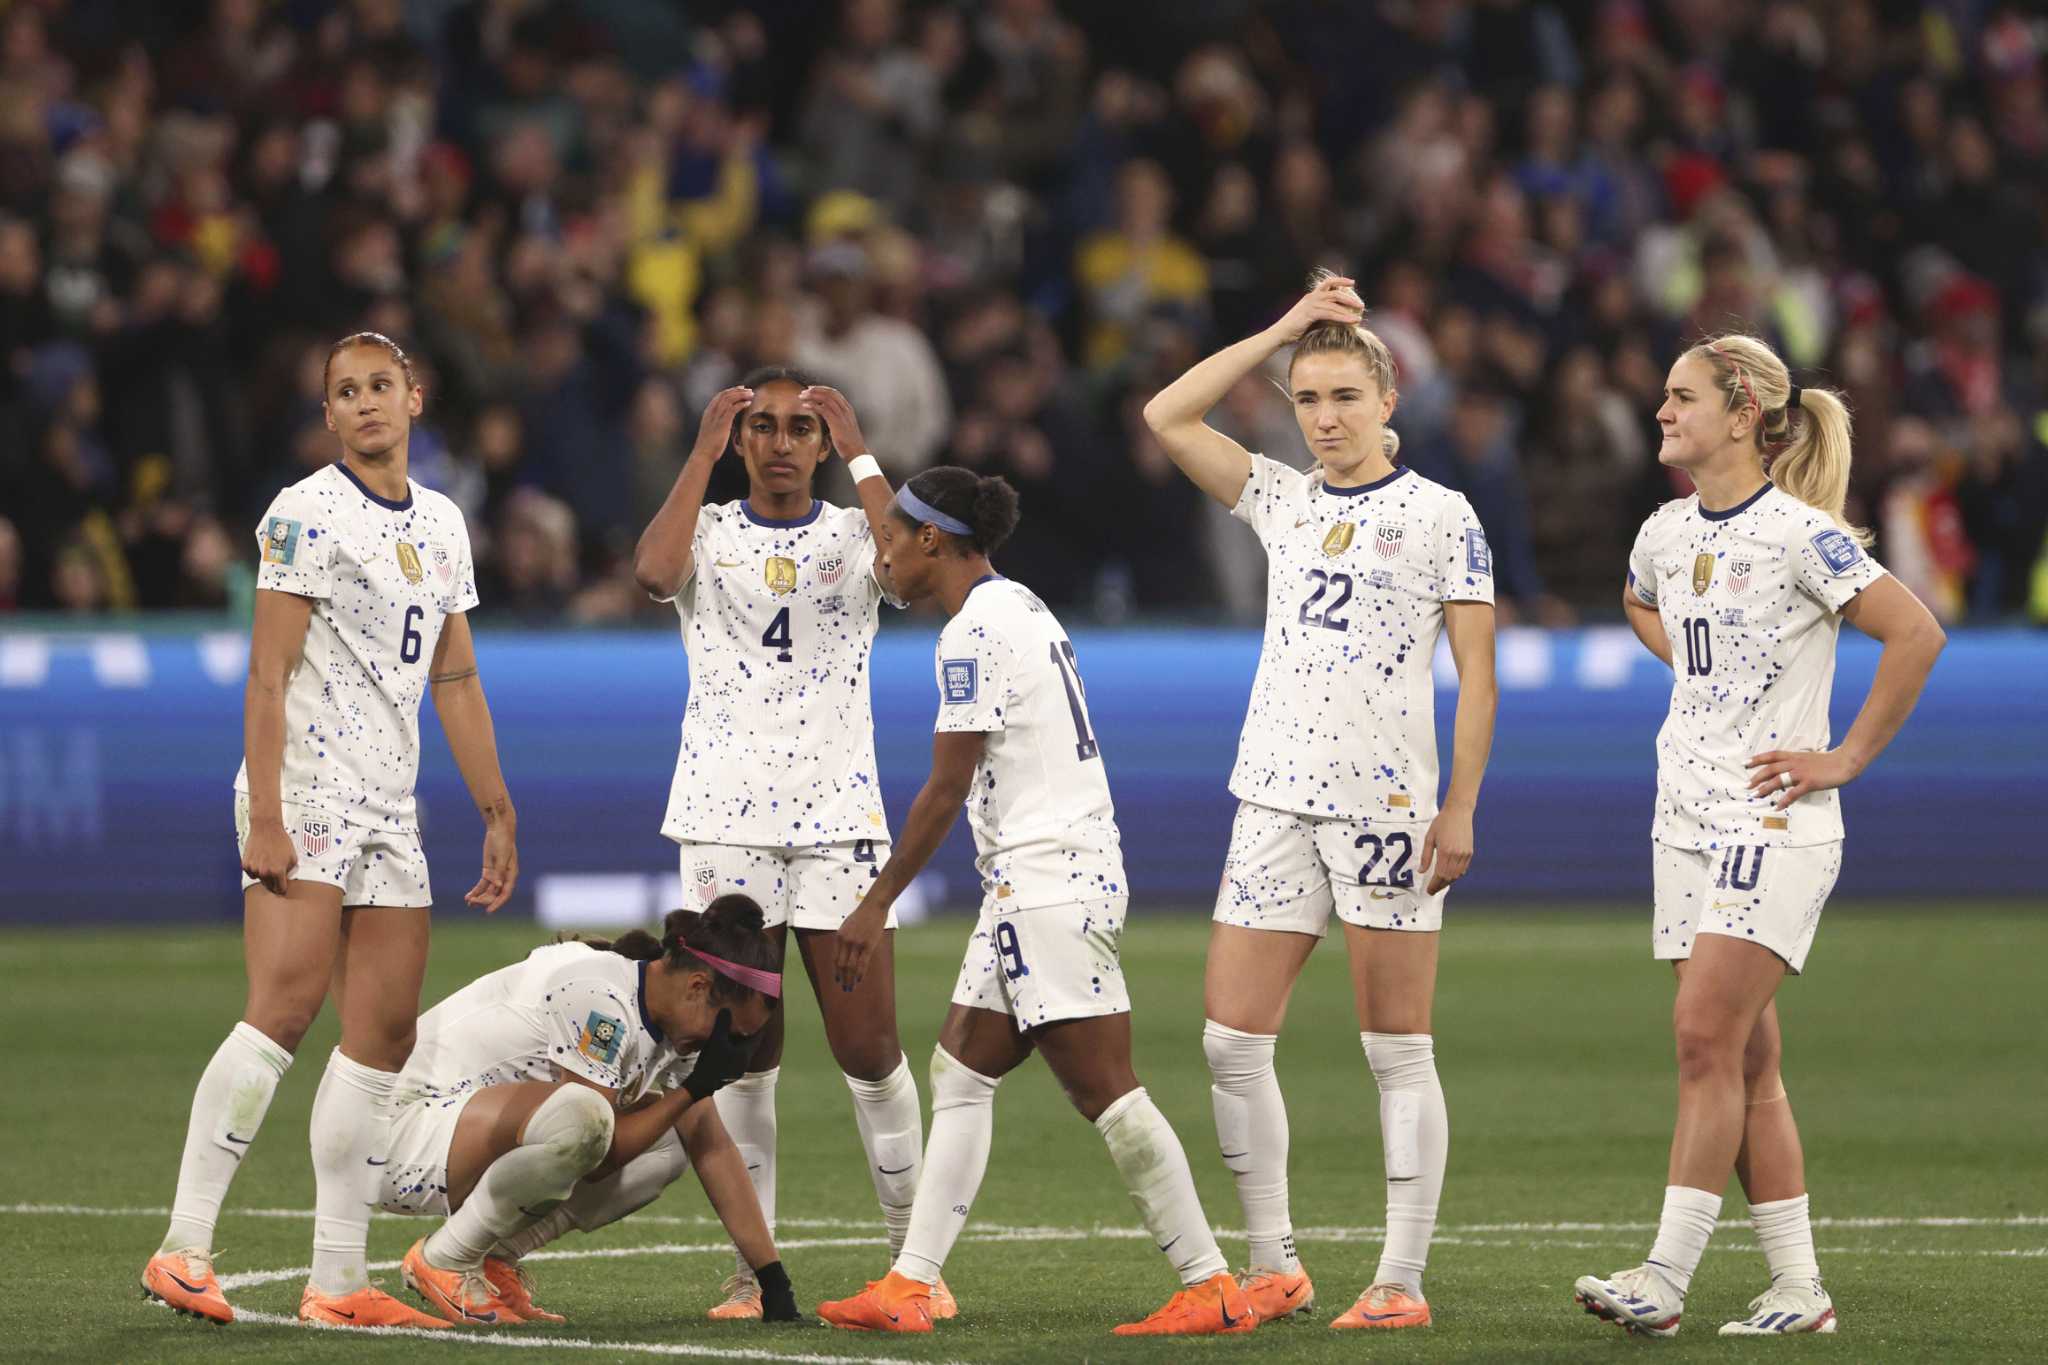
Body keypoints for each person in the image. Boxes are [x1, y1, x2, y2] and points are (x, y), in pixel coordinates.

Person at [815, 467, 1255, 1338]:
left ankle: (1209, 1283)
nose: (884, 553)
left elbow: (945, 789)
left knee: (1108, 1092)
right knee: (963, 1066)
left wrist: (873, 904)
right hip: (1044, 874)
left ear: (932, 540)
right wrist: (864, 456)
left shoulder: (973, 634)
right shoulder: (1021, 605)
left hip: (1047, 877)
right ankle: (913, 1282)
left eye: (893, 538)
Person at [1141, 271, 1499, 1331]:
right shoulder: (1280, 497)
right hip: (1271, 798)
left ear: (1387, 403)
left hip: (1385, 806)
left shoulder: (1439, 514)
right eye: (1306, 398)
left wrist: (1461, 805)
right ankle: (1273, 1263)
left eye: (1344, 396)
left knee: (1395, 1049)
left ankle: (1398, 1282)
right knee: (1228, 1041)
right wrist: (1284, 329)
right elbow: (1166, 414)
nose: (1325, 418)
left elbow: (1476, 673)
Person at [142, 332, 519, 1328]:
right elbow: (266, 672)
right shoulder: (304, 513)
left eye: (379, 387)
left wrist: (492, 804)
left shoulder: (440, 524)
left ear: (415, 399)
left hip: (391, 804)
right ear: (328, 416)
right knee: (285, 1007)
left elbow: (455, 675)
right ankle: (184, 1247)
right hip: (306, 788)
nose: (364, 404)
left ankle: (338, 1281)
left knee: (384, 1035)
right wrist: (264, 814)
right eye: (344, 392)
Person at [1574, 335, 1945, 1338]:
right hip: (1682, 814)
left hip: (1772, 821)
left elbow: (1914, 632)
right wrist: (1707, 675)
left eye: (1679, 397)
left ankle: (1663, 1276)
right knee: (1742, 1065)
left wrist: (1843, 756)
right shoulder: (1661, 531)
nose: (1659, 411)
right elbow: (1641, 601)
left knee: (1700, 1034)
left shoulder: (1800, 538)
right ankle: (1798, 1289)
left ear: (1739, 415)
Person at [631, 369, 951, 1319]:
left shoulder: (858, 533)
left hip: (838, 817)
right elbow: (652, 573)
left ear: (821, 442)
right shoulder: (713, 531)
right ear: (739, 443)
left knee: (871, 1048)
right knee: (739, 1051)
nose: (778, 442)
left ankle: (916, 1267)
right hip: (726, 817)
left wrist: (864, 454)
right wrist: (697, 452)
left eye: (800, 428)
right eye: (761, 427)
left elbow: (916, 571)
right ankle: (750, 1271)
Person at [378, 898, 797, 1325]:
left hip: (457, 1136)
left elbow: (714, 1148)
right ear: (697, 987)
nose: (728, 1048)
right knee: (586, 1117)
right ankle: (448, 1257)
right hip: (400, 1139)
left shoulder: (676, 1020)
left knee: (670, 1140)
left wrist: (773, 1279)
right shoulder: (599, 996)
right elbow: (599, 1148)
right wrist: (690, 1091)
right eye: (731, 1031)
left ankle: (494, 1261)